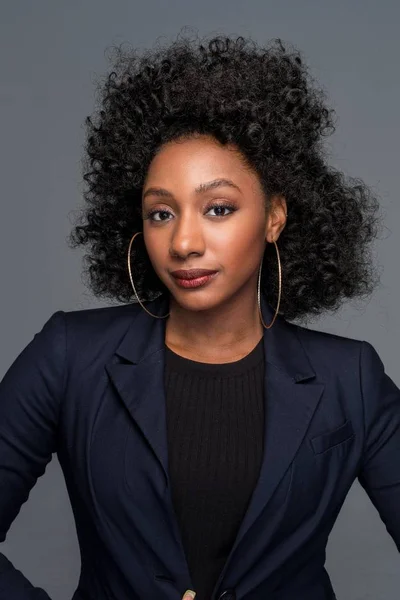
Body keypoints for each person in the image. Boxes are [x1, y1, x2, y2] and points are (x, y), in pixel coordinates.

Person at [0, 31, 399, 600]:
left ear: (274, 216)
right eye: (161, 213)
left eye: (218, 208)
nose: (184, 241)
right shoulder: (70, 357)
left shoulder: (350, 378)